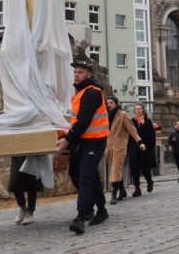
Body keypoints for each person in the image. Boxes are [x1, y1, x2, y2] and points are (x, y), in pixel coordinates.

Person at [56, 61, 109, 235]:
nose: (76, 74)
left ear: (88, 74)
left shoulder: (92, 92)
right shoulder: (79, 93)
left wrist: (67, 140)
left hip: (95, 140)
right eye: (75, 72)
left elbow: (84, 121)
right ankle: (101, 209)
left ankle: (81, 216)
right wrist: (68, 134)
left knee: (86, 175)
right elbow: (77, 121)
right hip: (82, 141)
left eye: (80, 72)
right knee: (80, 174)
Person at [105, 96, 145, 204]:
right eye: (108, 103)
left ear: (116, 103)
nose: (109, 104)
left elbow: (132, 130)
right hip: (109, 148)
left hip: (119, 147)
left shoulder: (122, 115)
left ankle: (114, 194)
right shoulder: (105, 116)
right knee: (115, 170)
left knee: (115, 170)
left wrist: (139, 142)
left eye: (111, 102)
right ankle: (122, 190)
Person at [128, 102, 157, 196]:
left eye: (139, 108)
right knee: (134, 169)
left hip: (145, 149)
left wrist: (148, 148)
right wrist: (129, 148)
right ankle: (137, 188)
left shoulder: (148, 122)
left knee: (145, 168)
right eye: (136, 109)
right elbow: (129, 136)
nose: (137, 110)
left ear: (143, 110)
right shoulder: (131, 121)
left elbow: (152, 137)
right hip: (134, 149)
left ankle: (149, 181)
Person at [8, 156, 43, 225]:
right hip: (17, 155)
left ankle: (30, 212)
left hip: (32, 156)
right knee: (15, 183)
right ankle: (23, 208)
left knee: (32, 184)